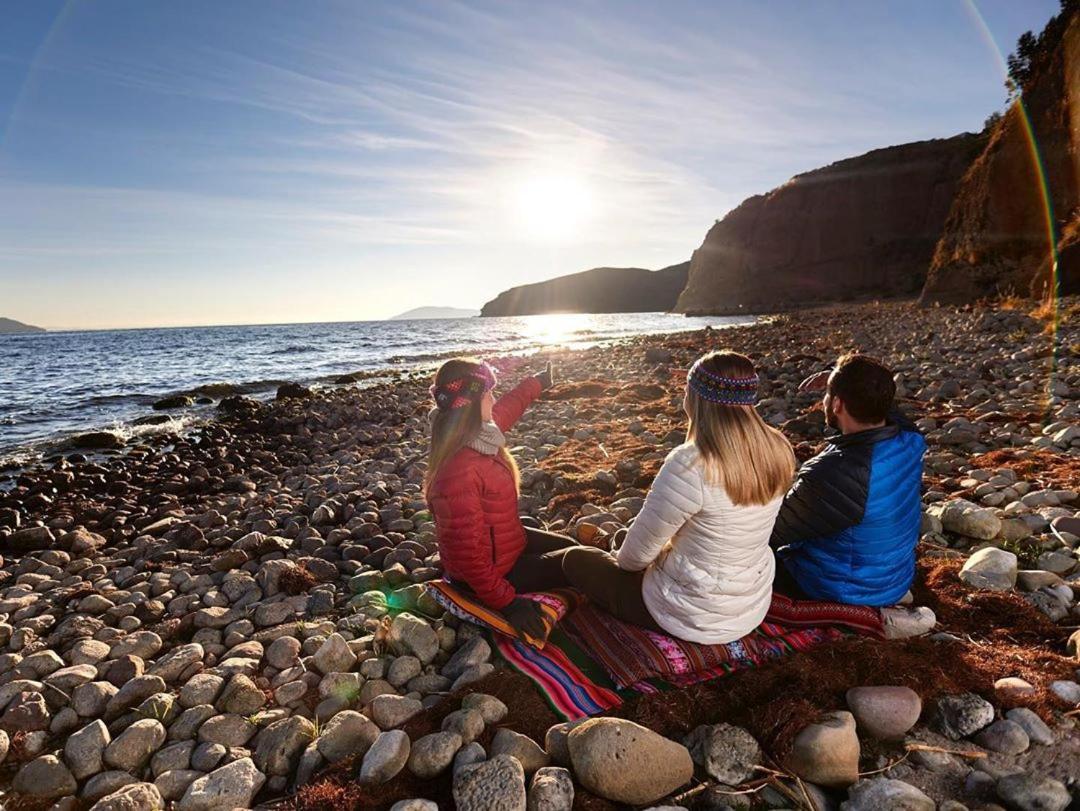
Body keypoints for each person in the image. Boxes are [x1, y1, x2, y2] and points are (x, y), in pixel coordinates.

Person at [561, 351, 797, 645]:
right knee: (629, 535)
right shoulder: (778, 448)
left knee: (576, 560)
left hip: (690, 614)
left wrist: (625, 558)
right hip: (749, 605)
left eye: (687, 388)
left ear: (696, 398)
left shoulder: (690, 463)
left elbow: (633, 561)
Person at [425, 357, 573, 640]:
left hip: (503, 549)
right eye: (488, 394)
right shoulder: (457, 471)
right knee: (576, 564)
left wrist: (537, 383)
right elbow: (468, 556)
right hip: (493, 574)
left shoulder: (471, 432)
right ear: (470, 402)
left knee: (571, 549)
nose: (493, 400)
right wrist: (508, 603)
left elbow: (506, 409)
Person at [770, 353, 928, 616]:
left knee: (747, 551)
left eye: (828, 396)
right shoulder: (911, 440)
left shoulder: (835, 471)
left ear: (837, 405)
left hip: (844, 590)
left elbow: (771, 531)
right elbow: (885, 403)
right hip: (895, 578)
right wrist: (839, 377)